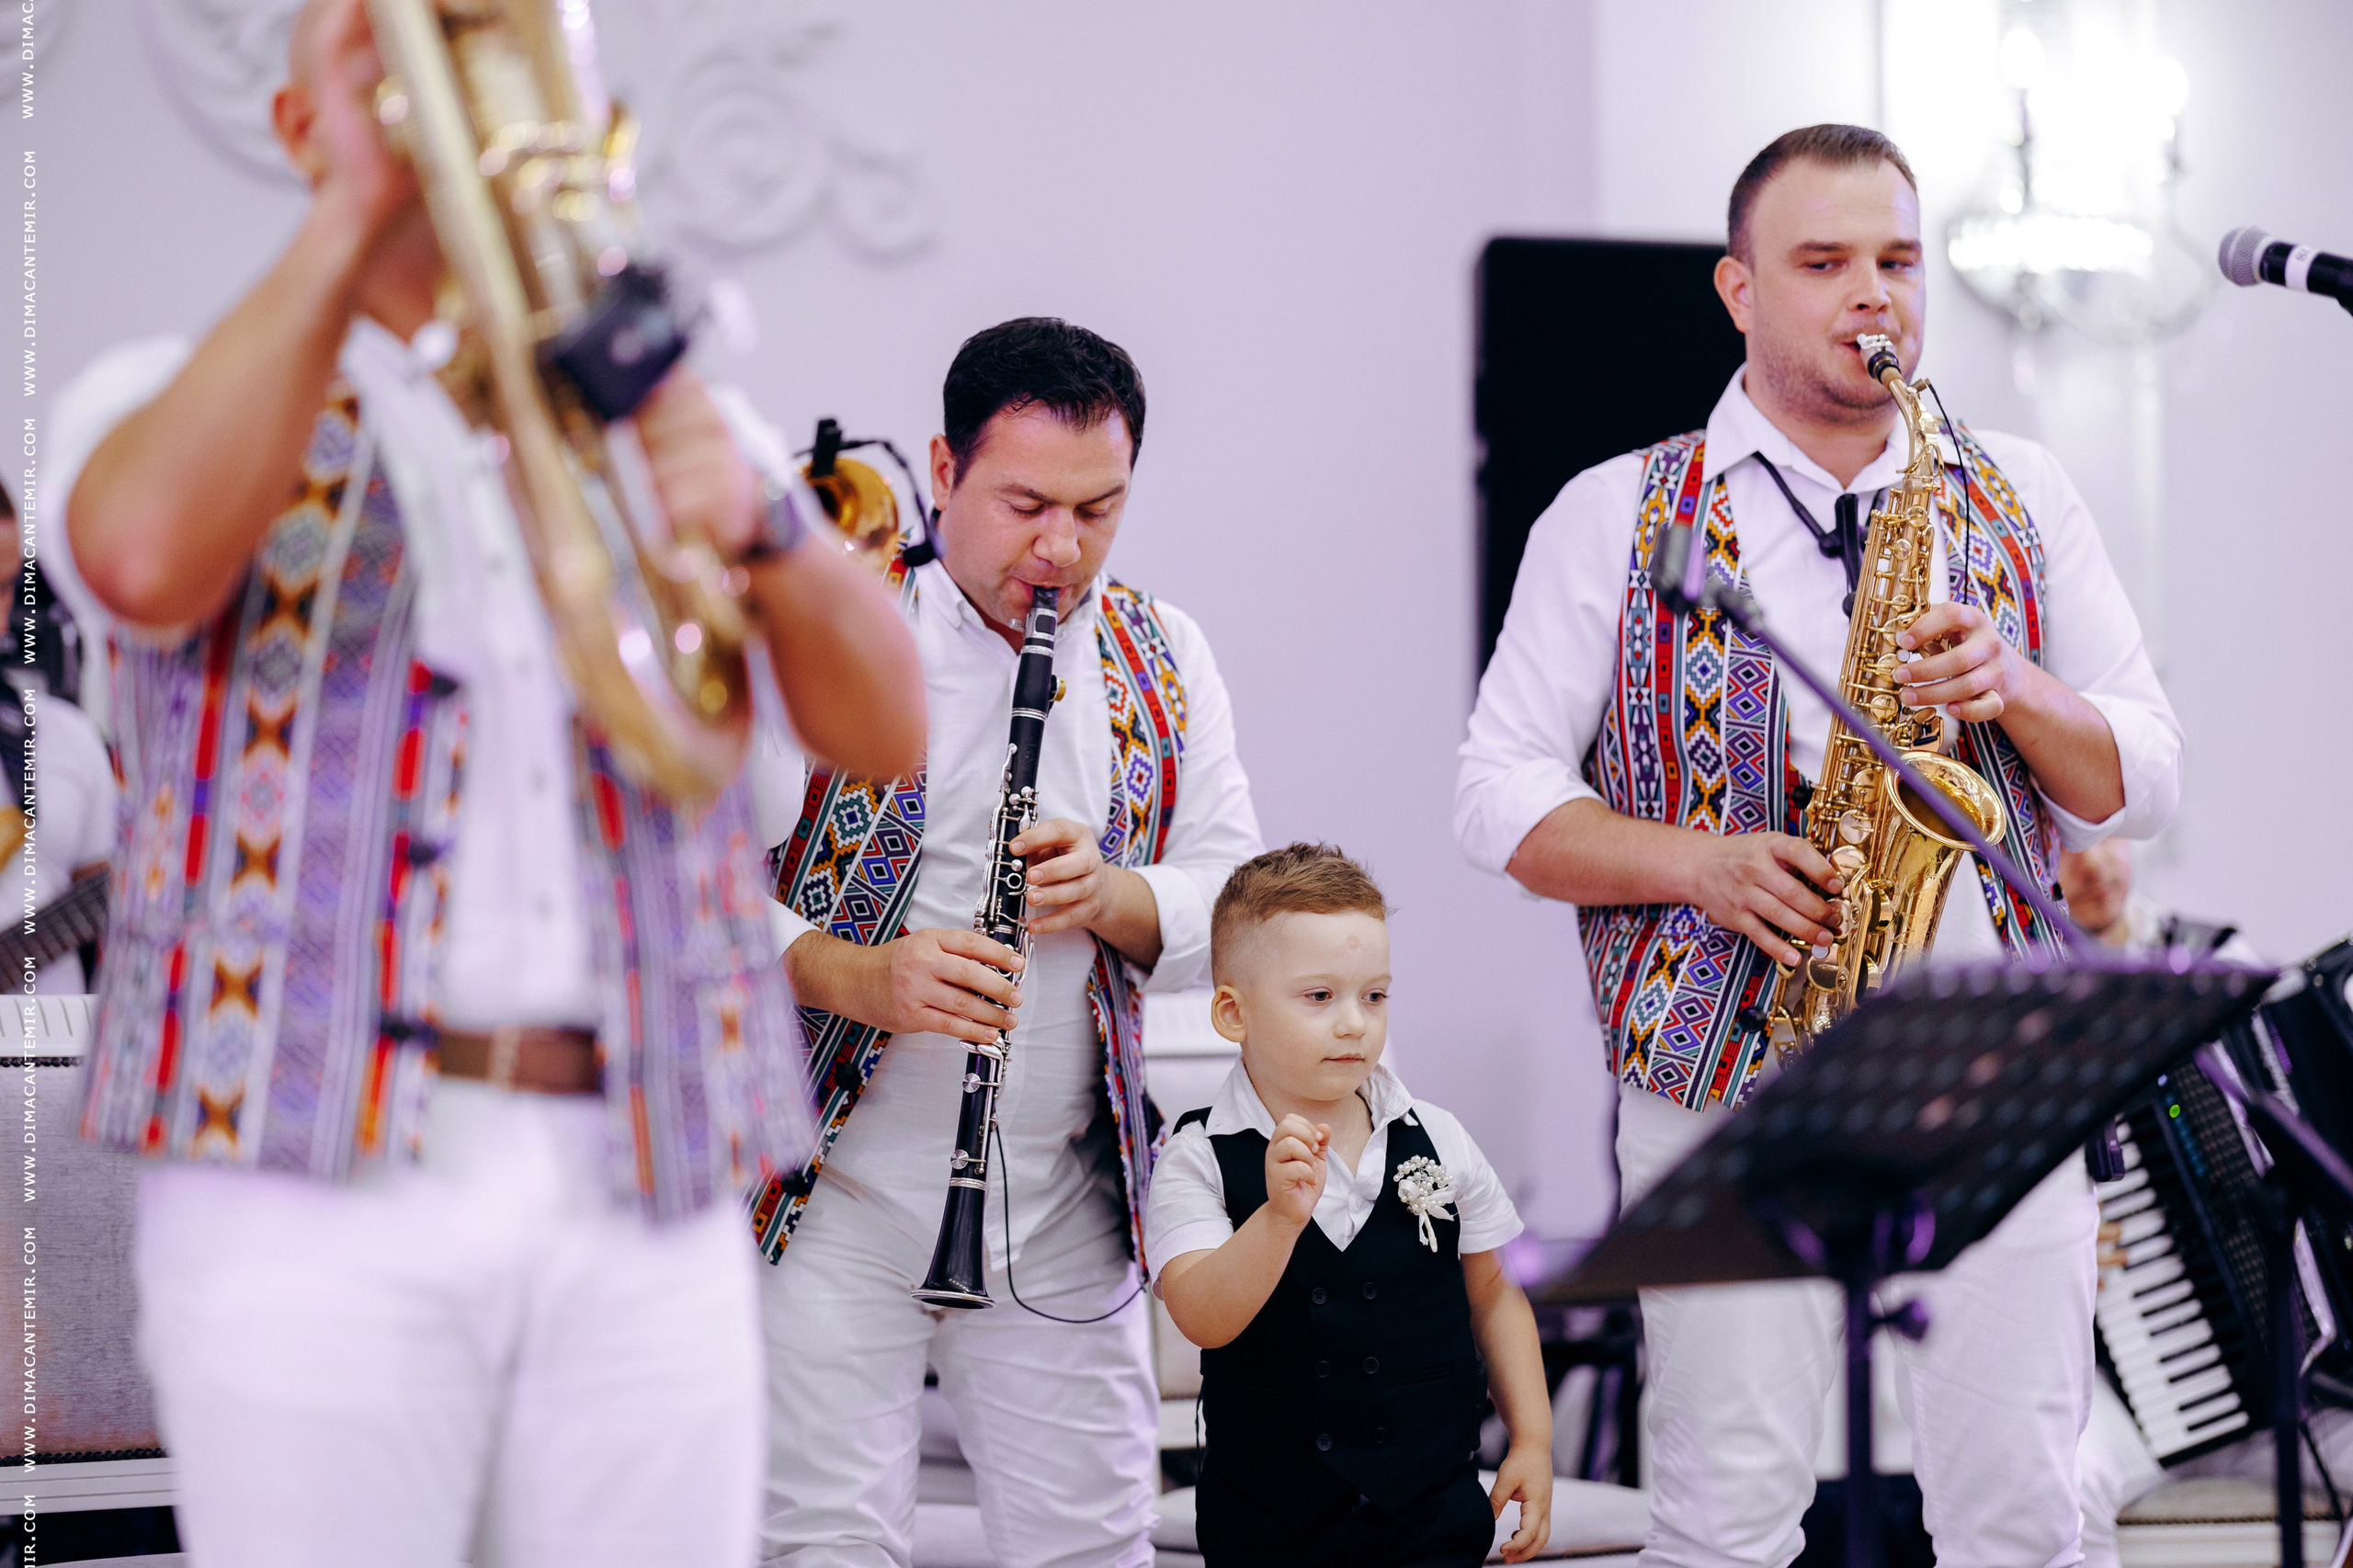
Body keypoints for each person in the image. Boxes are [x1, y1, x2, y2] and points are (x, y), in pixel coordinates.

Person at [51, 2, 925, 1562]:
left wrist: (768, 527)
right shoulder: (170, 394)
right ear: (301, 129)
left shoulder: (663, 419)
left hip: (648, 1174)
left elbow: (886, 733)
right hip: (305, 1181)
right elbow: (137, 556)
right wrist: (356, 219)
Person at [1455, 123, 2182, 1568]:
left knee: (2026, 1512)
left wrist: (2018, 688)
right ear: (1737, 290)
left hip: (1993, 1077)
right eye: (1825, 261)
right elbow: (1494, 797)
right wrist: (1697, 861)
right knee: (1726, 1520)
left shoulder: (2019, 492)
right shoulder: (1616, 514)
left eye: (1899, 261)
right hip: (1723, 1078)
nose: (1875, 296)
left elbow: (2145, 777)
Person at [756, 316, 1264, 1567]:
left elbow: (1240, 898)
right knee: (822, 1545)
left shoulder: (1164, 652)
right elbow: (689, 892)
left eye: (1099, 509)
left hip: (1061, 1200)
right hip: (833, 1191)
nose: (1061, 547)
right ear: (940, 470)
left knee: (1092, 1546)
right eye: (1025, 502)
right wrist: (858, 972)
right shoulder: (824, 630)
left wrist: (1117, 895)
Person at [1150, 843, 1553, 1567]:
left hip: (1433, 1515)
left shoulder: (1441, 1138)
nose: (1354, 1024)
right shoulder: (1198, 1156)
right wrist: (1276, 1220)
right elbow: (1201, 1316)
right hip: (1271, 1528)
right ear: (1233, 1013)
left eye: (1374, 995)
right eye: (1318, 997)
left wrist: (1532, 1438)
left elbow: (1493, 1295)